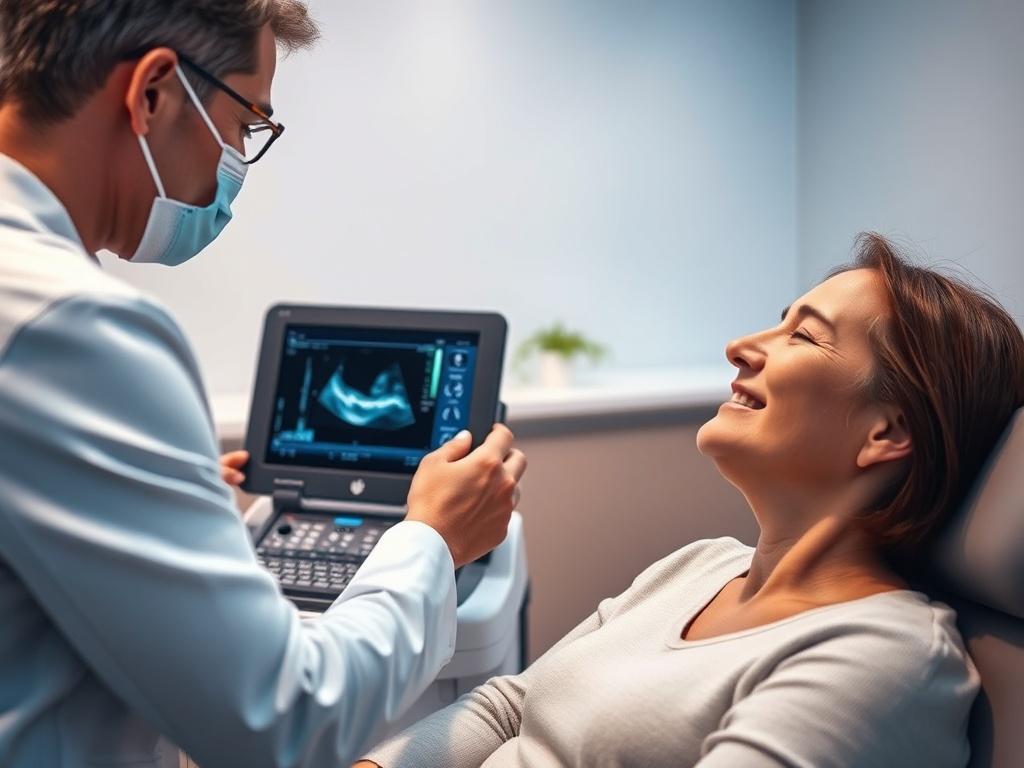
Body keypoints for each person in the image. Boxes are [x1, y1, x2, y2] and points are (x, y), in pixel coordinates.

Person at [0, 3, 526, 767]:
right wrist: (433, 542)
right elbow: (285, 723)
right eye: (247, 125)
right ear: (153, 92)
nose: (236, 163)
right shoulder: (73, 328)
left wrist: (143, 497)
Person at [358, 233, 1023, 768]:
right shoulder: (698, 565)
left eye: (803, 335)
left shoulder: (886, 658)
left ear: (888, 432)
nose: (740, 347)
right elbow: (510, 705)